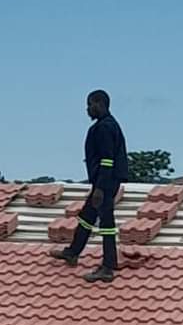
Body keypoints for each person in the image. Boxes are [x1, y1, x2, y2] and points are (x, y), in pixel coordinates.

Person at [51, 89, 129, 283]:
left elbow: (107, 160)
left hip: (106, 182)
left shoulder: (105, 128)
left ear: (100, 104)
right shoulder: (106, 125)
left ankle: (108, 267)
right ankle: (73, 252)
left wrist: (100, 188)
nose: (87, 109)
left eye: (90, 105)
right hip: (104, 181)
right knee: (87, 216)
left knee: (107, 223)